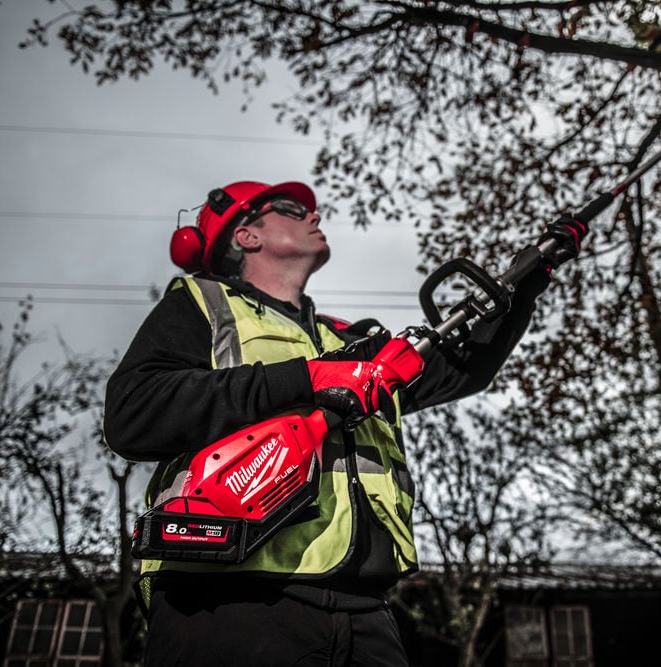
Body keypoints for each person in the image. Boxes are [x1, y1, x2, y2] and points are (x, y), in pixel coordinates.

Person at [104, 179, 581, 666]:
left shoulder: (347, 339)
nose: (313, 215)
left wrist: (526, 284)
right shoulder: (203, 304)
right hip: (224, 599)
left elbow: (460, 370)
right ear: (246, 235)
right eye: (291, 209)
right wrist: (307, 379)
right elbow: (133, 413)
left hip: (364, 610)